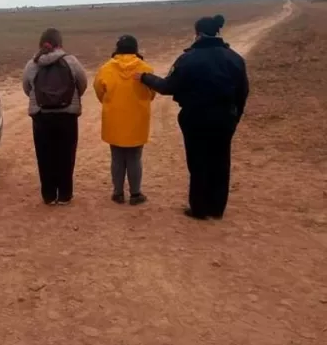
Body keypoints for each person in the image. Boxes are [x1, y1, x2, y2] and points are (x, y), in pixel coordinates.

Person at [136, 14, 249, 220]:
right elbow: (243, 92)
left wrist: (145, 77)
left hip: (195, 117)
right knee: (221, 161)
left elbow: (168, 87)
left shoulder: (187, 59)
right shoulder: (235, 58)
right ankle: (216, 208)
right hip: (224, 118)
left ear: (197, 34)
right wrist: (235, 118)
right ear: (217, 32)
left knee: (198, 162)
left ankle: (199, 208)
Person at [22, 28, 88, 205]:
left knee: (44, 156)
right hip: (67, 115)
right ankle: (65, 194)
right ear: (60, 43)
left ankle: (49, 195)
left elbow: (27, 88)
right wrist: (71, 98)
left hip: (41, 116)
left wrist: (40, 100)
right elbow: (82, 84)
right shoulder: (71, 61)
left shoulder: (32, 64)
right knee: (66, 155)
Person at [94, 35, 155, 205]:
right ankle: (135, 194)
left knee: (117, 157)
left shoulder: (105, 69)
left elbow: (99, 91)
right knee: (135, 158)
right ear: (136, 49)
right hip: (137, 121)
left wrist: (109, 103)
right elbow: (152, 93)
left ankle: (118, 193)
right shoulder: (145, 68)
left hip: (114, 120)